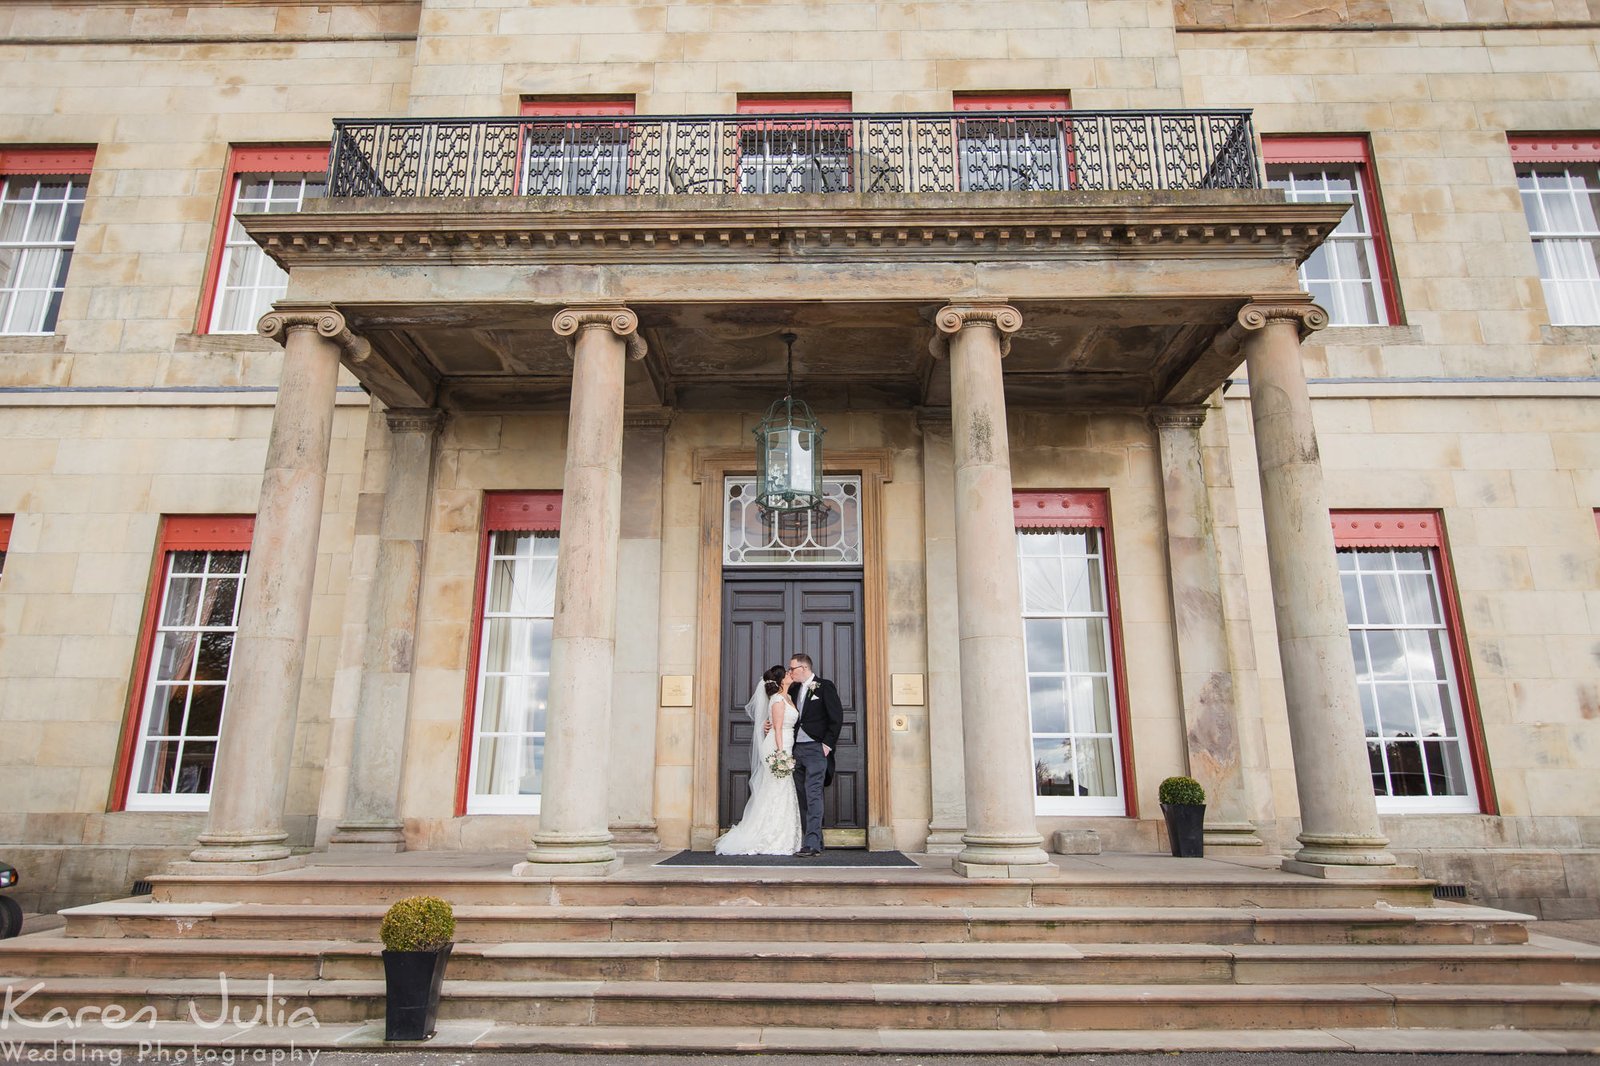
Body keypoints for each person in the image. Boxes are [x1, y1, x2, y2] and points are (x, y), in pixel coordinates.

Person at [714, 664, 803, 856]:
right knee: (777, 788)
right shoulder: (778, 700)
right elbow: (778, 729)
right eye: (787, 673)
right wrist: (781, 754)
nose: (790, 674)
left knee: (780, 789)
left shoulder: (787, 697)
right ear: (780, 681)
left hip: (785, 744)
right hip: (777, 747)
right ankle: (771, 837)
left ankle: (782, 834)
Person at [786, 652, 843, 858]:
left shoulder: (824, 686)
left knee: (813, 794)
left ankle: (810, 843)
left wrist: (827, 744)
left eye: (792, 668)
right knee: (801, 796)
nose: (790, 672)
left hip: (816, 749)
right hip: (796, 750)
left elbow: (836, 716)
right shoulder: (793, 689)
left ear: (804, 668)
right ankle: (815, 840)